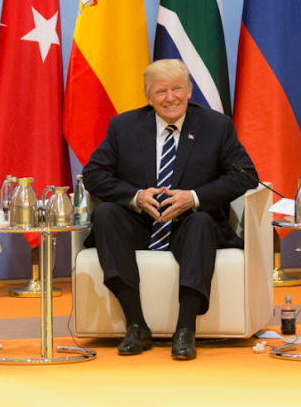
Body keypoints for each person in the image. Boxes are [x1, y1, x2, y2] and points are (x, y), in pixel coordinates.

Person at [82, 59, 257, 360]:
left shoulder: (216, 126)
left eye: (177, 88)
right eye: (160, 91)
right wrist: (135, 196)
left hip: (189, 226)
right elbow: (93, 174)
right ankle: (136, 325)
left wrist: (194, 196)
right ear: (148, 97)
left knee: (202, 221)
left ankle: (185, 330)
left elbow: (245, 175)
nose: (170, 97)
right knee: (106, 214)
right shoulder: (123, 126)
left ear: (189, 90)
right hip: (140, 225)